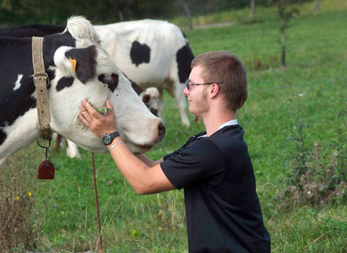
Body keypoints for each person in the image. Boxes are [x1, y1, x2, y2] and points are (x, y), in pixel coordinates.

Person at [78, 50, 271, 252]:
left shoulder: (210, 149)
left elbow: (144, 182)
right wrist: (115, 133)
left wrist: (110, 136)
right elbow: (152, 167)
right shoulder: (211, 140)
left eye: (191, 85)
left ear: (213, 89)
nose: (185, 91)